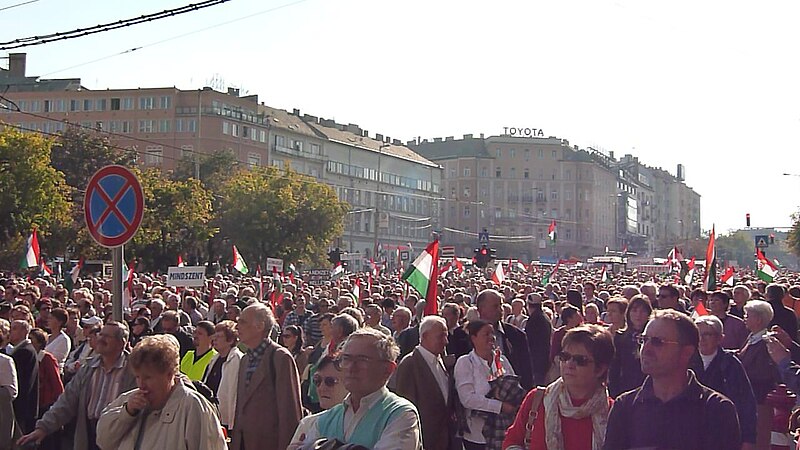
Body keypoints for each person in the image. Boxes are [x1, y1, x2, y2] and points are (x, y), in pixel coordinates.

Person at [604, 309, 741, 449]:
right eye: (644, 340)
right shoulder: (625, 407)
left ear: (687, 352)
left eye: (657, 342)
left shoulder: (716, 409)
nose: (646, 349)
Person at [289, 327, 421, 449]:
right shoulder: (324, 420)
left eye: (363, 360)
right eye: (346, 359)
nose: (351, 367)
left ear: (388, 369)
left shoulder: (400, 414)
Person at [17, 321, 136, 450]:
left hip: (120, 437)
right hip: (89, 435)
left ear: (121, 343)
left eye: (107, 336)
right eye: (100, 334)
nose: (101, 339)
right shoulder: (88, 369)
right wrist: (43, 428)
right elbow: (67, 401)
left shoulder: (133, 371)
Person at [95, 335, 226, 449]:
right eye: (138, 377)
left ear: (169, 375)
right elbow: (103, 441)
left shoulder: (193, 407)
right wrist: (127, 413)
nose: (141, 384)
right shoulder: (128, 400)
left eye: (148, 377)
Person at [503, 324, 615, 450]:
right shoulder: (537, 399)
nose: (569, 364)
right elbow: (512, 440)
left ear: (600, 369)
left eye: (580, 360)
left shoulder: (613, 412)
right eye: (565, 357)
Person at [230, 303, 303, 450]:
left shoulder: (279, 357)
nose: (237, 327)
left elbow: (289, 412)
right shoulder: (245, 359)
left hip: (269, 443)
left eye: (243, 322)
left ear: (260, 326)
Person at [689, 315, 757, 449]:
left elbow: (747, 403)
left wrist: (748, 439)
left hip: (723, 433)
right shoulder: (686, 361)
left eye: (707, 334)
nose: (701, 339)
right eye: (698, 334)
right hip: (691, 433)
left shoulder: (731, 364)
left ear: (720, 338)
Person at [395, 315, 457, 450]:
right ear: (425, 336)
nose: (446, 341)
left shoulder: (440, 359)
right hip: (423, 441)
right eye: (441, 336)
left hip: (445, 440)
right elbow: (404, 410)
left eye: (446, 336)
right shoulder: (410, 364)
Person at [455, 319, 517, 450]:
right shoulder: (465, 363)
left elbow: (514, 388)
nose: (491, 337)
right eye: (486, 334)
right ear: (474, 338)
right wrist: (500, 406)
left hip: (503, 432)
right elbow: (467, 399)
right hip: (477, 435)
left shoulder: (502, 360)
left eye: (492, 333)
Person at [739, 299, 780, 449]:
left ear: (758, 319)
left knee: (760, 437)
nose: (745, 318)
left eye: (747, 315)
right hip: (750, 396)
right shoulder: (751, 337)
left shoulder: (766, 342)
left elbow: (762, 372)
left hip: (760, 397)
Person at [287, 356, 350, 449]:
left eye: (330, 381)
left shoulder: (366, 421)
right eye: (317, 381)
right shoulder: (308, 423)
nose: (321, 388)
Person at [477, 289, 533, 389]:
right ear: (481, 309)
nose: (500, 310)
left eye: (501, 305)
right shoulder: (463, 335)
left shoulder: (516, 335)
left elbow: (526, 371)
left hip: (512, 396)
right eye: (495, 306)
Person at [202, 320, 243, 433]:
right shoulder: (214, 359)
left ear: (230, 340)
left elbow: (233, 393)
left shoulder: (236, 359)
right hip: (211, 414)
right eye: (214, 336)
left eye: (219, 336)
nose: (214, 339)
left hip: (225, 420)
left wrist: (232, 423)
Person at [608, 294, 651, 398]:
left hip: (649, 389)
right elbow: (614, 368)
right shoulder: (620, 337)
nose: (638, 315)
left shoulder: (654, 337)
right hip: (625, 389)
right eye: (635, 310)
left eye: (643, 311)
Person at [7, 319, 39, 434]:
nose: (10, 331)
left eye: (14, 329)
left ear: (24, 331)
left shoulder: (24, 352)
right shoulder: (23, 349)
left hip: (22, 407)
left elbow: (20, 381)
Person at [524, 293, 552, 386]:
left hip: (536, 360)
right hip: (542, 358)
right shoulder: (543, 317)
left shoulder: (535, 319)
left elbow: (529, 340)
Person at [44, 307, 71, 372]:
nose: (48, 320)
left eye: (51, 318)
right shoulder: (47, 337)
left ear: (60, 322)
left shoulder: (64, 339)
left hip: (54, 373)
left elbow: (55, 359)